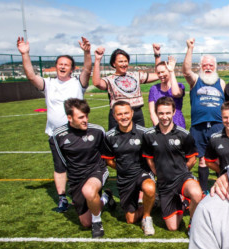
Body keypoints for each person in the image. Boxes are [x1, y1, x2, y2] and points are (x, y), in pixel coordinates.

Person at [17, 36, 92, 213]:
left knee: (82, 166)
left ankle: (86, 193)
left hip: (78, 134)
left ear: (72, 68)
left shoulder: (78, 83)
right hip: (55, 134)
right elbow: (30, 75)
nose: (62, 66)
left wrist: (87, 52)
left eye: (66, 64)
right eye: (60, 63)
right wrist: (25, 54)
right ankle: (62, 199)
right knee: (59, 167)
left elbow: (88, 68)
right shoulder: (48, 84)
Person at [49, 98, 115, 238]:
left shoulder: (97, 131)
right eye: (81, 117)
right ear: (69, 117)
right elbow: (60, 166)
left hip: (97, 170)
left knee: (89, 190)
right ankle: (105, 197)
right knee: (85, 222)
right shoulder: (58, 136)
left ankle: (97, 223)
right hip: (76, 178)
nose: (86, 120)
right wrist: (62, 196)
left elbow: (108, 155)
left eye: (86, 116)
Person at [141, 97, 202, 232]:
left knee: (196, 193)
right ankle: (184, 202)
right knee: (173, 227)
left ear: (174, 112)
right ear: (156, 113)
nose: (164, 117)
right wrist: (158, 173)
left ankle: (193, 224)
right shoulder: (149, 135)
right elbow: (149, 159)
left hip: (182, 178)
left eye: (168, 113)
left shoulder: (184, 135)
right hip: (165, 184)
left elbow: (192, 159)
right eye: (161, 113)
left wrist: (182, 172)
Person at [101, 101, 157, 236]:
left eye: (126, 113)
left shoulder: (144, 133)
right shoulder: (109, 137)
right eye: (119, 114)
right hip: (125, 178)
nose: (123, 117)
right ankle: (152, 203)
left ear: (132, 113)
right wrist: (122, 168)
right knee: (130, 220)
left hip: (142, 173)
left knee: (149, 187)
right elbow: (108, 160)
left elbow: (152, 156)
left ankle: (146, 217)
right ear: (114, 116)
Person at [182, 38, 226, 195]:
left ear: (215, 67)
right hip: (199, 126)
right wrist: (190, 48)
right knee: (201, 159)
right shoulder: (196, 80)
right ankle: (203, 190)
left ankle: (225, 186)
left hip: (218, 125)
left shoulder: (221, 83)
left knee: (220, 157)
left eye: (211, 65)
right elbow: (186, 70)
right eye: (205, 65)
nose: (208, 68)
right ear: (200, 66)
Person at [93, 45, 160, 130]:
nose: (124, 64)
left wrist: (157, 55)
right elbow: (96, 82)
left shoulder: (136, 75)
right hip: (119, 115)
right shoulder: (109, 79)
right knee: (117, 142)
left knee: (140, 141)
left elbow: (158, 74)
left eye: (126, 61)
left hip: (137, 114)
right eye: (121, 61)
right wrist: (97, 60)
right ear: (114, 64)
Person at [149, 53, 186, 128]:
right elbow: (152, 112)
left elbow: (176, 93)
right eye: (158, 73)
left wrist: (172, 71)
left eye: (163, 72)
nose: (160, 75)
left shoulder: (179, 86)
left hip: (177, 125)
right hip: (159, 126)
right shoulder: (154, 89)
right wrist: (159, 128)